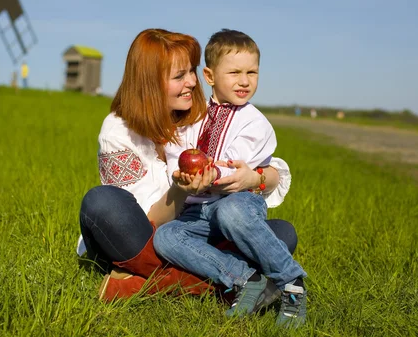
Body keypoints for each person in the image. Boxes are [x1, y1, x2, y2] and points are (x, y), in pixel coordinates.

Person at [77, 28, 296, 304]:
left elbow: (266, 166)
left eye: (191, 71)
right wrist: (181, 190)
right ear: (150, 83)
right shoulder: (118, 131)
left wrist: (255, 180)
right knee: (101, 202)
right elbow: (143, 222)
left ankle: (147, 283)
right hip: (142, 238)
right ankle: (226, 280)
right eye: (179, 76)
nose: (192, 82)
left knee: (282, 234)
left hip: (190, 235)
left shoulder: (197, 114)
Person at [154, 29, 306, 327]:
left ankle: (292, 282)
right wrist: (182, 175)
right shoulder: (193, 115)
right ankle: (245, 278)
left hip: (239, 202)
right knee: (167, 236)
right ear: (209, 76)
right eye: (234, 72)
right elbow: (178, 152)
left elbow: (236, 166)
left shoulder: (256, 123)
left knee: (231, 211)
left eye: (252, 72)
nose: (245, 80)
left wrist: (211, 173)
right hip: (199, 210)